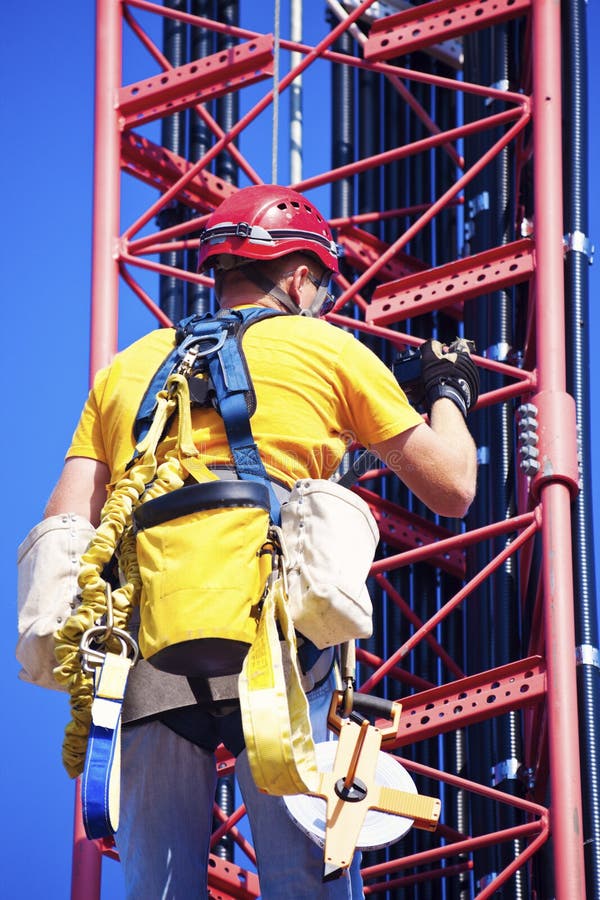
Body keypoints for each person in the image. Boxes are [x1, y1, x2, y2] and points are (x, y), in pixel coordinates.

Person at [43, 185, 478, 899]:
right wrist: (448, 394)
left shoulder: (125, 370)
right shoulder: (328, 348)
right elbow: (452, 488)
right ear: (301, 278)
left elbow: (66, 526)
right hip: (275, 643)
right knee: (309, 870)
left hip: (150, 649)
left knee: (157, 887)